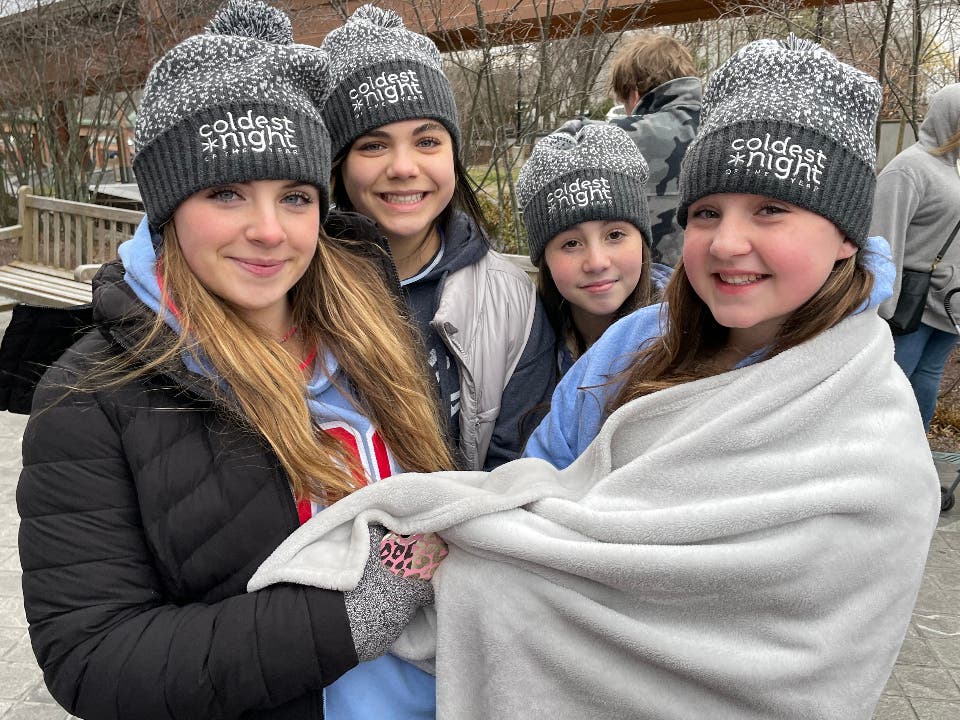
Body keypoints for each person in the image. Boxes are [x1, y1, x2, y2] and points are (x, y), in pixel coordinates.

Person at [248, 35, 940, 720]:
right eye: (706, 213)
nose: (729, 242)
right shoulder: (644, 341)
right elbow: (543, 472)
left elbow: (806, 639)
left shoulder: (871, 434)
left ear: (848, 234)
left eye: (771, 210)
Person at [17, 2, 452, 718]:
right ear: (168, 208)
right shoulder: (90, 396)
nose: (269, 231)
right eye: (226, 193)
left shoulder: (378, 329)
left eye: (294, 195)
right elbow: (91, 658)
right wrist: (350, 618)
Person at [321, 4, 556, 471]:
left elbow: (518, 466)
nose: (404, 167)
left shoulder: (509, 300)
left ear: (453, 155)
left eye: (427, 141)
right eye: (373, 145)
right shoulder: (294, 286)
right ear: (339, 165)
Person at [516, 123, 659, 377]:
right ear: (544, 258)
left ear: (642, 239)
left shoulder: (688, 340)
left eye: (614, 235)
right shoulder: (520, 346)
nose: (596, 262)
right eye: (571, 243)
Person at [560, 32, 702, 267]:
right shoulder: (726, 127)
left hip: (647, 291)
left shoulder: (618, 137)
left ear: (634, 94)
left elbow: (554, 154)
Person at [871, 83, 960, 431]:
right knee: (891, 385)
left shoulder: (953, 170)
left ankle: (912, 459)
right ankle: (874, 463)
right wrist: (881, 309)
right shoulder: (908, 169)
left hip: (949, 306)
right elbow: (882, 238)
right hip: (911, 305)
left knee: (926, 378)